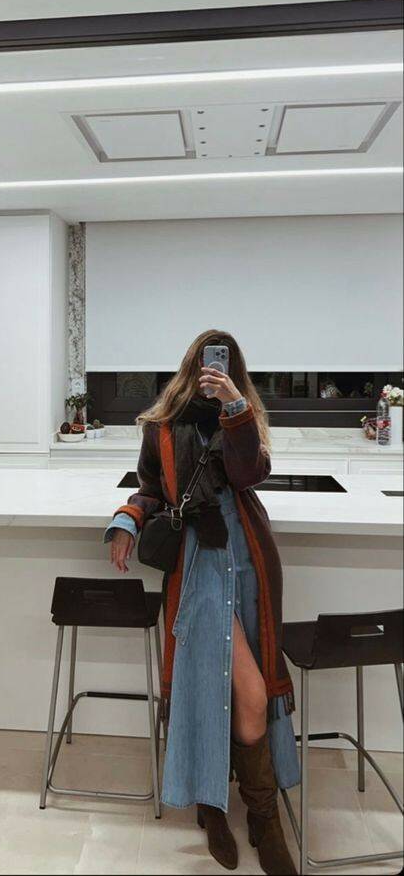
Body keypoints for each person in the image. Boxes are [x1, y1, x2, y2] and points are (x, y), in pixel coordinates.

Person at [105, 330, 298, 875]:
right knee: (237, 692)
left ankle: (256, 817)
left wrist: (234, 407)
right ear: (192, 365)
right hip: (198, 567)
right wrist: (127, 518)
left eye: (227, 366)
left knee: (238, 691)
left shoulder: (241, 417)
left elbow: (249, 473)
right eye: (210, 363)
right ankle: (223, 809)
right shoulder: (164, 425)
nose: (215, 371)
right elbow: (150, 487)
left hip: (248, 561)